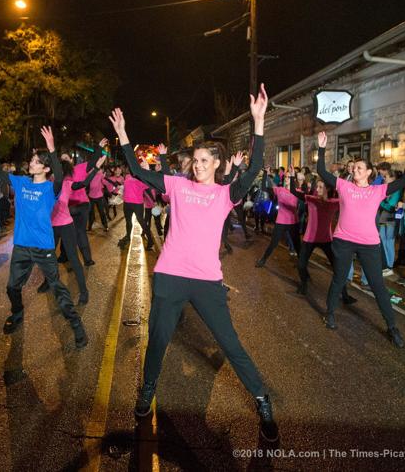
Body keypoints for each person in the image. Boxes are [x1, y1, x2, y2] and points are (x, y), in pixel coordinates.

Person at [109, 84, 279, 442]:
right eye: (196, 161)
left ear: (216, 164)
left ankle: (262, 400)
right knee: (158, 339)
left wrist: (259, 123)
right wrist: (124, 135)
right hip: (170, 276)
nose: (199, 166)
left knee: (230, 344)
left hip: (206, 281)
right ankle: (148, 388)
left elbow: (254, 169)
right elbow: (140, 173)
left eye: (205, 161)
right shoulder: (176, 185)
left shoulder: (224, 194)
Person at [0, 124, 87, 347]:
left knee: (58, 289)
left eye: (37, 162)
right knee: (12, 287)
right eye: (31, 161)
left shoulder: (51, 189)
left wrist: (52, 149)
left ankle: (77, 327)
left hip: (43, 248)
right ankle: (17, 313)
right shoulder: (21, 183)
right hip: (22, 246)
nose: (31, 164)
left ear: (47, 169)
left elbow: (60, 174)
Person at [317, 131, 405, 348]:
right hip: (343, 241)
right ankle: (330, 313)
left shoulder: (378, 190)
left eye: (359, 168)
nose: (355, 169)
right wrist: (321, 148)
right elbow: (321, 171)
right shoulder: (344, 186)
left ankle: (392, 328)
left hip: (369, 244)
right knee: (339, 279)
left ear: (369, 173)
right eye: (354, 167)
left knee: (378, 287)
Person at [37, 154, 107, 304]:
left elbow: (85, 182)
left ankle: (84, 291)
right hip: (52, 228)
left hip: (66, 226)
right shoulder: (46, 185)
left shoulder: (68, 184)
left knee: (74, 259)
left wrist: (96, 168)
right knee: (48, 258)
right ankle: (47, 282)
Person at [286, 166, 355, 303]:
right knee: (301, 265)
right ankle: (304, 285)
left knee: (337, 268)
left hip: (326, 240)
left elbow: (349, 199)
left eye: (320, 187)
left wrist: (351, 178)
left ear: (327, 189)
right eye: (316, 187)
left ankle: (345, 295)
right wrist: (293, 175)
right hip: (309, 239)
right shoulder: (311, 199)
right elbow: (293, 190)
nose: (316, 190)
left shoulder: (333, 203)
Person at [63, 142, 106, 266]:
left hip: (81, 206)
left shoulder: (79, 168)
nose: (64, 161)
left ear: (71, 160)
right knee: (71, 233)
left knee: (79, 232)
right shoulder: (59, 175)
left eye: (66, 159)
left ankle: (85, 259)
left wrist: (99, 148)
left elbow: (93, 162)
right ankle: (72, 258)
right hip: (68, 207)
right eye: (62, 160)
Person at [255, 166, 301, 267]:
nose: (286, 179)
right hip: (281, 222)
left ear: (293, 179)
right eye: (285, 177)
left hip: (293, 223)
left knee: (298, 246)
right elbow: (263, 187)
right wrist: (266, 174)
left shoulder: (297, 192)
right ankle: (263, 260)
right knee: (273, 243)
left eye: (289, 177)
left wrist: (293, 176)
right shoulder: (279, 190)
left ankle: (303, 269)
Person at [87, 163, 109, 232]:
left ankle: (106, 226)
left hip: (99, 197)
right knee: (91, 213)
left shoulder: (100, 174)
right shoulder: (90, 173)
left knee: (101, 212)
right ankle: (89, 227)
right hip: (91, 196)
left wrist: (104, 177)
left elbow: (105, 182)